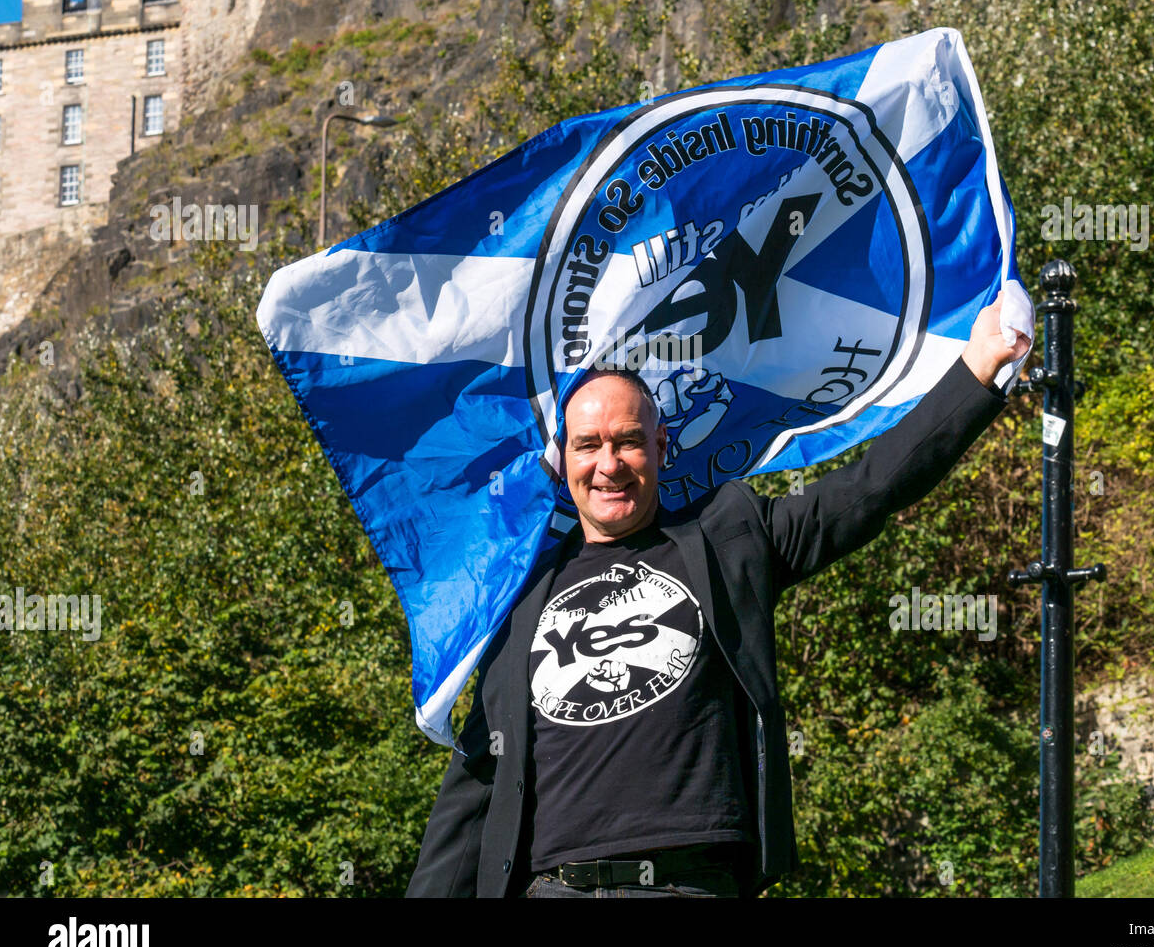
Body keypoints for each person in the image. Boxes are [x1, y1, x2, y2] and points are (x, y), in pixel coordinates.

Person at [405, 292, 1030, 898]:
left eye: (626, 441)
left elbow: (867, 490)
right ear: (564, 462)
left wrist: (976, 372)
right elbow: (476, 783)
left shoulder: (729, 540)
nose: (608, 464)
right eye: (588, 445)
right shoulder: (519, 599)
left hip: (688, 883)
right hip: (553, 889)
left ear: (659, 449)